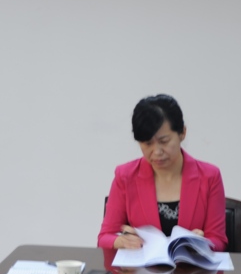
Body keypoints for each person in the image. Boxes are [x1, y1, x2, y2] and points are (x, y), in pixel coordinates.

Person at [98, 94, 228, 251]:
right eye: (147, 144)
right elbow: (104, 237)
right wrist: (121, 241)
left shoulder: (210, 177)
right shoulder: (125, 176)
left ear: (182, 133)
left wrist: (202, 243)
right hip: (143, 267)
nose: (157, 152)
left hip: (190, 266)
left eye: (164, 141)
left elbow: (219, 240)